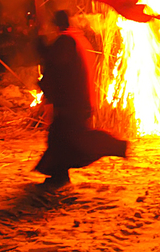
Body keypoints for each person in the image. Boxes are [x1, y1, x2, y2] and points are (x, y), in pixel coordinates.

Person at [35, 10, 128, 187]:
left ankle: (116, 146)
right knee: (59, 139)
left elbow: (56, 61)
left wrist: (40, 44)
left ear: (56, 25)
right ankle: (59, 176)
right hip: (74, 101)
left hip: (73, 103)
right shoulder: (74, 38)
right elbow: (55, 61)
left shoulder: (66, 40)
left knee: (73, 140)